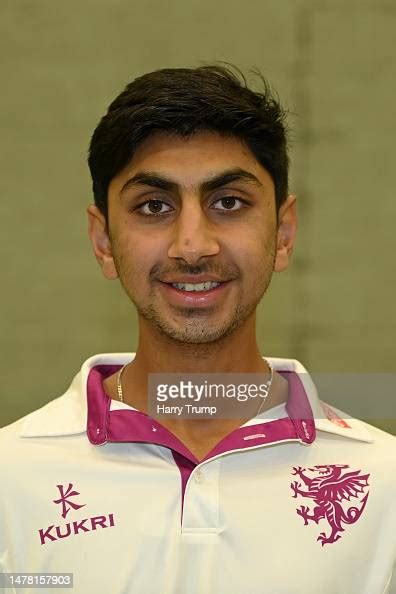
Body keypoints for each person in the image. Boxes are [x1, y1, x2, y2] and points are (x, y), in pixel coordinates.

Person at [0, 64, 395, 594]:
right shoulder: (11, 478)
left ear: (282, 232)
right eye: (154, 206)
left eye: (228, 203)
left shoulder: (386, 484)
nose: (193, 246)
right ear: (103, 242)